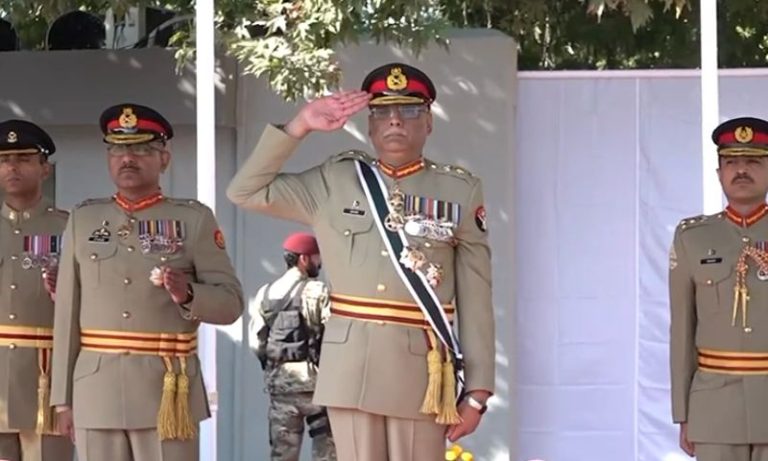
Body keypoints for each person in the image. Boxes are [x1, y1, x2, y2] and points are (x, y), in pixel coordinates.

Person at [227, 62, 495, 460]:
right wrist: (299, 125)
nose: (395, 122)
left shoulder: (458, 190)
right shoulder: (335, 180)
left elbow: (476, 297)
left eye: (408, 111)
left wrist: (477, 393)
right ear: (369, 125)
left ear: (428, 122)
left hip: (422, 372)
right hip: (351, 368)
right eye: (383, 112)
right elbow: (245, 191)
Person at [49, 103, 244, 461]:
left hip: (166, 391)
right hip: (96, 389)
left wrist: (187, 293)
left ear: (164, 159)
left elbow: (230, 303)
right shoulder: (83, 218)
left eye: (141, 149)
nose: (128, 158)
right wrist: (62, 399)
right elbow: (66, 313)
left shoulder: (193, 220)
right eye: (119, 149)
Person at [670, 116, 768, 461]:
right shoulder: (692, 237)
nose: (741, 170)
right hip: (715, 407)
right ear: (719, 173)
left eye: (753, 161)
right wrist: (682, 413)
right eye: (731, 162)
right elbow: (682, 330)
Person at [0, 120, 73, 461]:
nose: (12, 167)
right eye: (3, 160)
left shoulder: (70, 227)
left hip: (46, 378)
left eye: (24, 158)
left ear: (45, 168)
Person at [250, 232, 336, 461]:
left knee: (282, 455)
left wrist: (273, 369)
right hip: (317, 388)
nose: (319, 263)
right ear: (304, 259)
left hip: (280, 388)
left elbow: (256, 342)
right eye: (316, 257)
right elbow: (335, 336)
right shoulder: (317, 291)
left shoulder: (265, 294)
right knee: (327, 453)